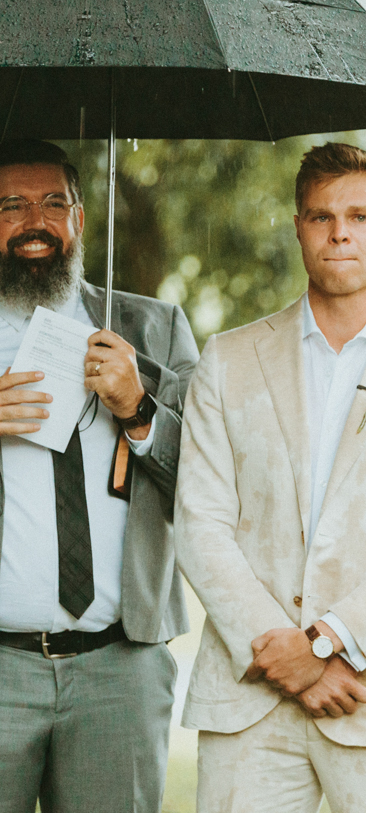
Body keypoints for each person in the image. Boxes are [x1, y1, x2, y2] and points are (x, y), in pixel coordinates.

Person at [175, 142, 366, 813]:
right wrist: (277, 651)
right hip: (248, 700)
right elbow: (201, 524)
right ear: (297, 227)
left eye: (359, 216)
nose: (339, 232)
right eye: (320, 217)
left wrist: (322, 646)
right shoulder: (228, 361)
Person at [0, 139, 199, 813]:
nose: (36, 220)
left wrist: (138, 409)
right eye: (11, 205)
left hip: (122, 671)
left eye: (55, 203)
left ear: (81, 220)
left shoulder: (154, 328)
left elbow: (217, 481)